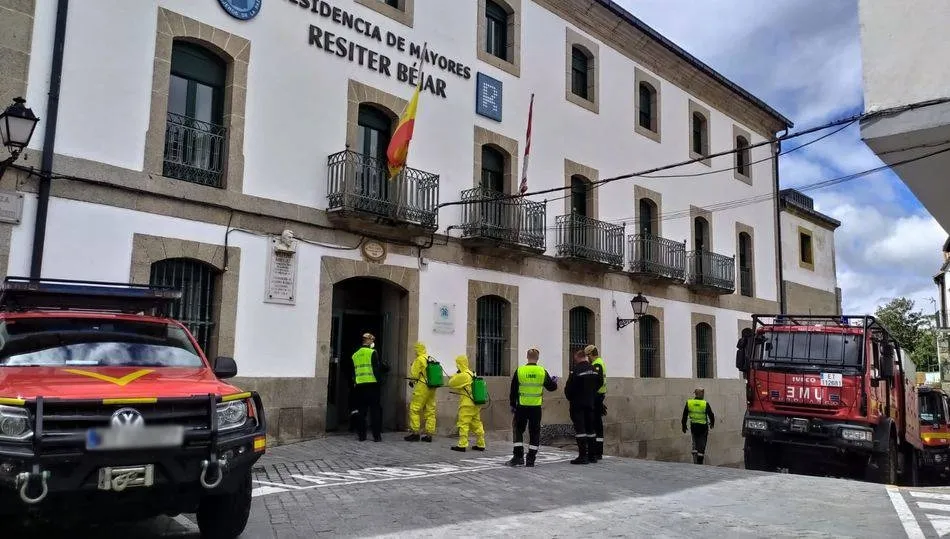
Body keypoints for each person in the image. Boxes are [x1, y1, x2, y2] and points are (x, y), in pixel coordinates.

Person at [507, 348, 558, 467]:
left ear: (527, 357)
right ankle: (531, 459)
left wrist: (512, 404)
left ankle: (518, 457)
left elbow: (513, 390)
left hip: (522, 407)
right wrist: (554, 382)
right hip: (536, 408)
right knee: (534, 432)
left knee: (518, 430)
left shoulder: (520, 371)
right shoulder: (542, 371)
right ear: (538, 358)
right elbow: (551, 388)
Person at [565, 349, 600, 464]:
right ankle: (592, 456)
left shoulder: (575, 370)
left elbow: (569, 388)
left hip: (578, 404)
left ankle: (582, 456)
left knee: (580, 430)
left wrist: (571, 398)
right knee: (591, 429)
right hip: (590, 403)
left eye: (575, 359)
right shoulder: (594, 369)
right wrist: (591, 395)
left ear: (577, 357)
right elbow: (599, 383)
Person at [448, 354, 485, 452]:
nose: (456, 365)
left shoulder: (463, 375)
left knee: (463, 423)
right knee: (476, 423)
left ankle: (462, 445)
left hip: (467, 404)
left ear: (460, 364)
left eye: (457, 364)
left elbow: (451, 383)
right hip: (476, 403)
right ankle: (481, 444)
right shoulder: (472, 373)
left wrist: (457, 373)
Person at [351, 333, 383, 442]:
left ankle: (361, 436)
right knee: (375, 411)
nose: (372, 342)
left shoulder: (355, 355)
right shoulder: (372, 352)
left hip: (360, 386)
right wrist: (380, 381)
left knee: (361, 411)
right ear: (368, 341)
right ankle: (376, 436)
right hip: (372, 385)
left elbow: (353, 372)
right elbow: (376, 369)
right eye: (372, 340)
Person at [405, 341, 437, 442]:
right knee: (430, 410)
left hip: (423, 386)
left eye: (415, 349)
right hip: (432, 386)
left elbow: (414, 374)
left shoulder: (419, 359)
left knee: (414, 408)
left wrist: (411, 381)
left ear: (417, 349)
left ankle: (415, 433)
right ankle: (429, 434)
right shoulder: (430, 358)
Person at [585, 345, 607, 462]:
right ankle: (597, 451)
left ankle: (597, 451)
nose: (587, 358)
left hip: (597, 396)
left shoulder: (597, 364)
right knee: (597, 423)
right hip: (599, 396)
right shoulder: (599, 362)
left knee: (596, 424)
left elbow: (598, 381)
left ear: (591, 354)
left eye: (588, 355)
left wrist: (591, 393)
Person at [682, 387, 716, 464]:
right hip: (703, 428)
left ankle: (695, 460)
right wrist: (712, 424)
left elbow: (684, 415)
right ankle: (699, 461)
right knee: (702, 444)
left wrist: (683, 426)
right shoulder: (705, 404)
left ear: (695, 394)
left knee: (695, 442)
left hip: (694, 427)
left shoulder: (689, 403)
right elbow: (711, 415)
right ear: (702, 394)